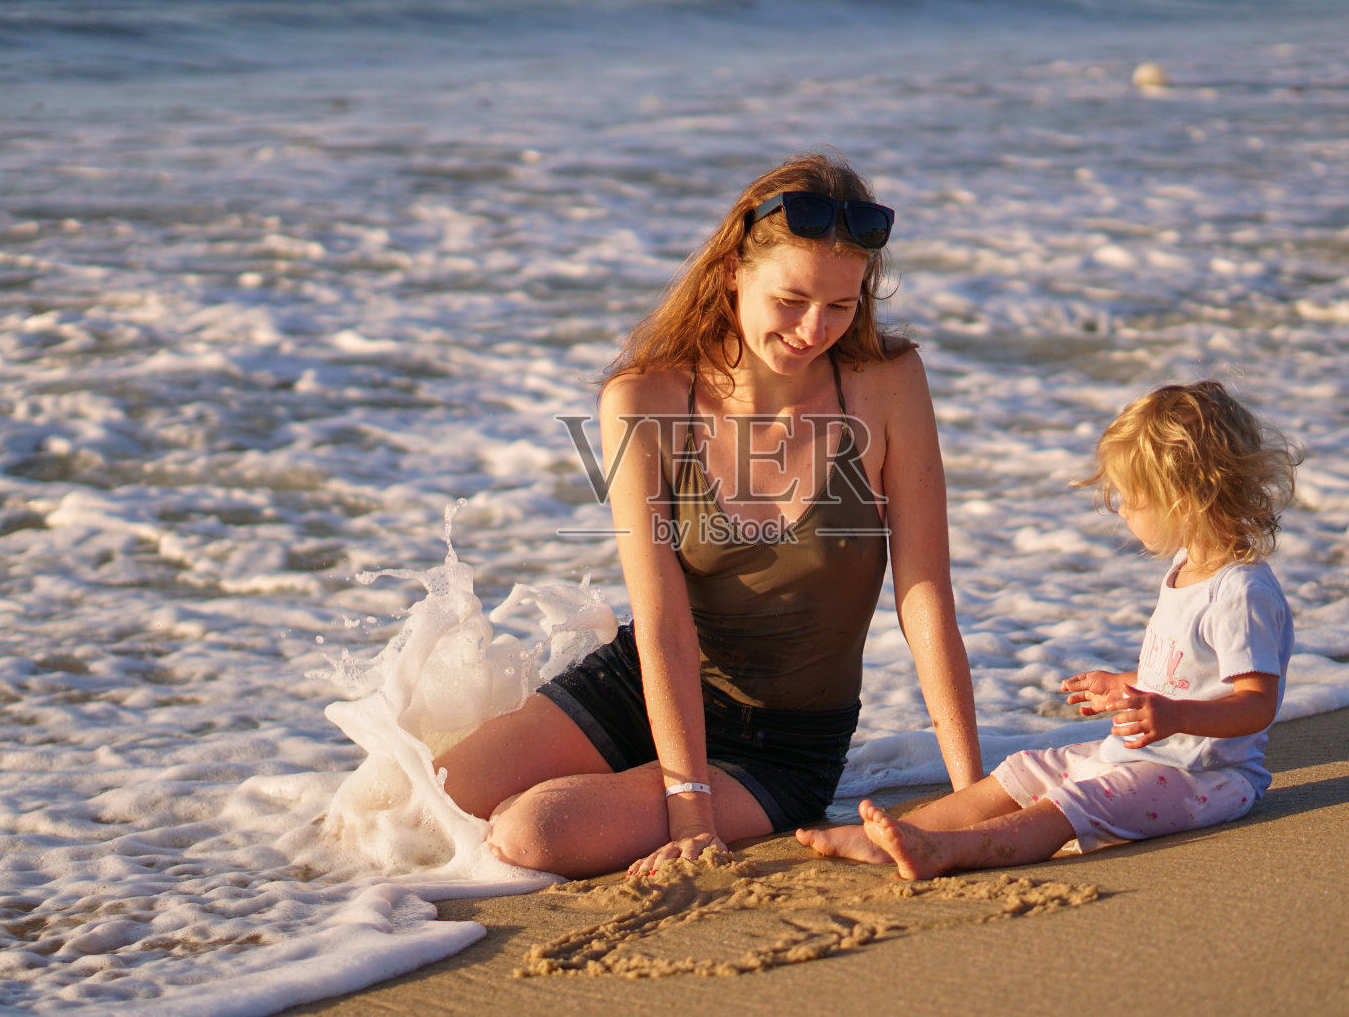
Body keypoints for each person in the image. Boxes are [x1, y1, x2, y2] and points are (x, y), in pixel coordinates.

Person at [433, 153, 984, 879]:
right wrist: (686, 801)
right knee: (421, 806)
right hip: (647, 683)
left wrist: (976, 793)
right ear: (732, 272)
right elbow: (660, 616)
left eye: (841, 306)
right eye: (791, 300)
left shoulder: (886, 384)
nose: (814, 328)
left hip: (782, 742)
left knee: (530, 835)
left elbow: (925, 599)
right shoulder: (644, 399)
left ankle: (641, 788)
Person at [797, 380, 1300, 879]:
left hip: (1205, 778)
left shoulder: (1240, 592)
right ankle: (888, 840)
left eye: (1130, 496)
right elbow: (1189, 675)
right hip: (1145, 757)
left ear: (1186, 498)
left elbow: (1256, 704)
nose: (1120, 508)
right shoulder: (1189, 567)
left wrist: (1170, 713)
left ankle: (949, 850)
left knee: (1076, 799)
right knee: (1027, 766)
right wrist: (1129, 687)